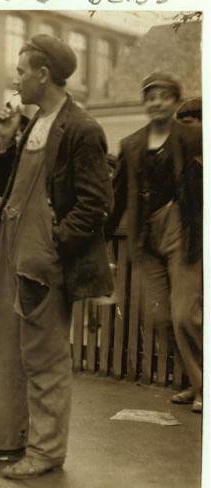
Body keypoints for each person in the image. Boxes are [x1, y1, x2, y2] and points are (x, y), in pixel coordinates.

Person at [0, 35, 114, 479]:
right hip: (11, 252)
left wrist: (54, 246)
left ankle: (46, 451)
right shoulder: (33, 123)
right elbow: (9, 187)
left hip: (43, 260)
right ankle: (5, 440)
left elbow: (95, 205)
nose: (16, 78)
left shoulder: (82, 129)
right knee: (2, 350)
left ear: (43, 75)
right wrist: (5, 143)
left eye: (22, 70)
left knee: (44, 356)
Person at [107, 72, 202, 413]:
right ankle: (196, 382)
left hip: (182, 229)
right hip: (145, 237)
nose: (156, 102)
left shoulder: (195, 136)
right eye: (150, 97)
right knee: (161, 316)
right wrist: (101, 240)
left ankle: (203, 385)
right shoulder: (131, 144)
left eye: (164, 96)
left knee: (184, 315)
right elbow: (117, 197)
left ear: (176, 102)